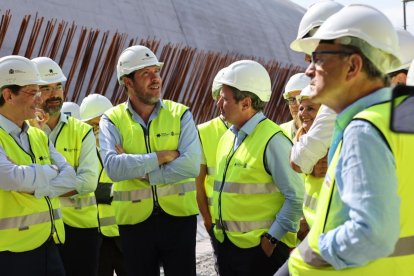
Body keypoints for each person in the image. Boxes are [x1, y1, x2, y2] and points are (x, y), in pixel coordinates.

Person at [277, 4, 414, 275]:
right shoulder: (394, 117)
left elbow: (373, 235)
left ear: (353, 66)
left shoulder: (364, 129)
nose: (308, 71)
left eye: (320, 59)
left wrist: (311, 253)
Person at [99, 45, 201, 276]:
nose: (156, 79)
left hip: (179, 220)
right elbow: (114, 168)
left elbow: (191, 165)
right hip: (134, 224)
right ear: (128, 82)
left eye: (156, 71)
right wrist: (162, 156)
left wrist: (143, 172)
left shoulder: (181, 114)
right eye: (146, 73)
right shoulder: (111, 120)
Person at [212, 60, 304, 276]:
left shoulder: (273, 140)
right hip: (228, 248)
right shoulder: (227, 138)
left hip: (259, 253)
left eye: (224, 99)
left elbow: (296, 196)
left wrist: (272, 238)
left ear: (245, 103)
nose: (218, 104)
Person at [0, 55, 77, 275]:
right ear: (8, 94)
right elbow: (8, 178)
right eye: (32, 92)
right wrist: (51, 171)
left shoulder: (38, 135)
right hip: (9, 253)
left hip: (47, 244)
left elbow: (71, 178)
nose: (39, 99)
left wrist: (32, 183)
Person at [31, 57, 100, 276]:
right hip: (41, 229)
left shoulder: (82, 131)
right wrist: (68, 182)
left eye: (58, 86)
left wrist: (38, 188)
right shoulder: (22, 133)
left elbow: (88, 182)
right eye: (46, 88)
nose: (54, 94)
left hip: (80, 230)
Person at [289, 0, 342, 176]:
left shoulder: (336, 103)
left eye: (316, 58)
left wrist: (302, 138)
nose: (309, 70)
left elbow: (298, 161)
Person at [80, 93, 127, 276]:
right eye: (92, 125)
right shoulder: (83, 152)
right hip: (97, 237)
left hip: (124, 232)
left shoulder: (125, 145)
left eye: (101, 123)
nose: (97, 129)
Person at [196, 67, 230, 274]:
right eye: (219, 95)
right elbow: (198, 182)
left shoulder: (260, 130)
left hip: (253, 226)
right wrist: (207, 221)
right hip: (217, 224)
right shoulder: (204, 131)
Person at [293, 86, 323, 240]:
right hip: (307, 227)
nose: (303, 113)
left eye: (310, 109)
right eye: (301, 108)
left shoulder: (333, 143)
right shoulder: (301, 139)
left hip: (324, 230)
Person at [279, 73, 310, 140]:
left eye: (300, 99)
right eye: (291, 99)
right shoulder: (279, 131)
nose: (295, 105)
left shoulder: (325, 133)